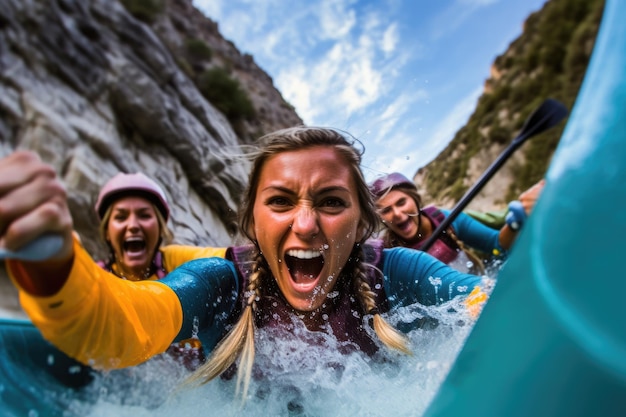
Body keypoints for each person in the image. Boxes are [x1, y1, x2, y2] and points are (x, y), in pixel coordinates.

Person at [1, 127, 491, 403]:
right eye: (280, 201)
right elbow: (122, 326)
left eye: (331, 202)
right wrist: (50, 263)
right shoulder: (219, 282)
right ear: (252, 222)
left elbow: (481, 301)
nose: (305, 225)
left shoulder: (395, 270)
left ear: (362, 221)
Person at [369, 172, 544, 273]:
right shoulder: (387, 254)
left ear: (415, 200)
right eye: (386, 210)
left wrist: (514, 225)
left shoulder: (444, 219)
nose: (397, 214)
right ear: (381, 218)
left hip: (480, 288)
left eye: (401, 202)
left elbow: (496, 246)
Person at [93, 171, 226, 281]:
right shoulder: (95, 278)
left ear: (161, 228)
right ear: (107, 232)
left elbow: (226, 259)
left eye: (144, 215)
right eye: (121, 217)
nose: (133, 225)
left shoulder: (174, 261)